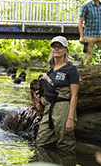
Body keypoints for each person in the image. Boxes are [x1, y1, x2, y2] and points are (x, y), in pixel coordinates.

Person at [36, 36, 79, 166]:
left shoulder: (71, 70)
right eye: (54, 46)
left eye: (60, 46)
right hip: (50, 108)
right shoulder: (51, 69)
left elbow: (74, 95)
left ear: (65, 50)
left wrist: (70, 118)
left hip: (64, 108)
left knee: (65, 145)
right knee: (41, 143)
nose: (56, 48)